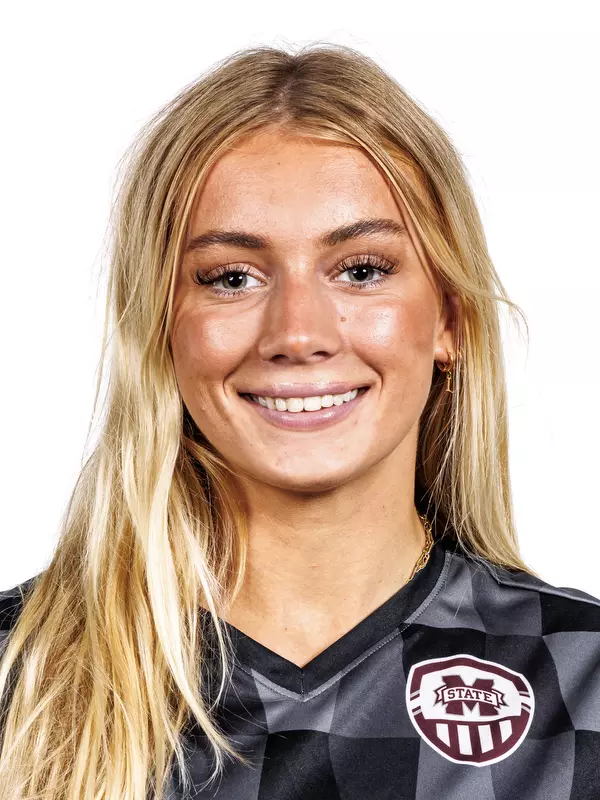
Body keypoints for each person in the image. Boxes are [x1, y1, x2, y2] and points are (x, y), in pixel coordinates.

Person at [1, 42, 599, 800]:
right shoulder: (19, 677)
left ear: (450, 318)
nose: (297, 332)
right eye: (232, 278)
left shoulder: (579, 681)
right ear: (161, 327)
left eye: (361, 269)